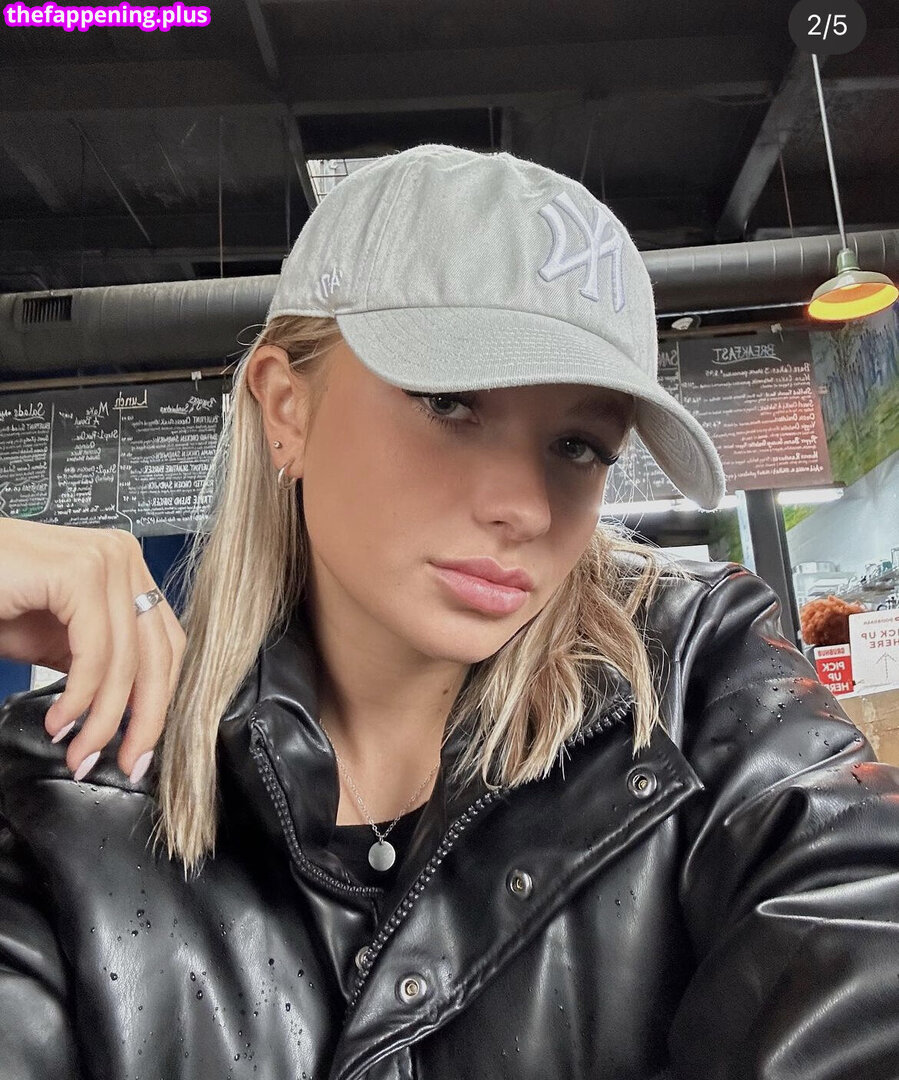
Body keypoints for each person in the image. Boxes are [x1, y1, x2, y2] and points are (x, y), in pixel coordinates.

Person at [1, 143, 898, 1080]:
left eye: (579, 445)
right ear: (286, 407)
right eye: (449, 402)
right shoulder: (80, 777)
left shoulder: (701, 684)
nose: (526, 507)